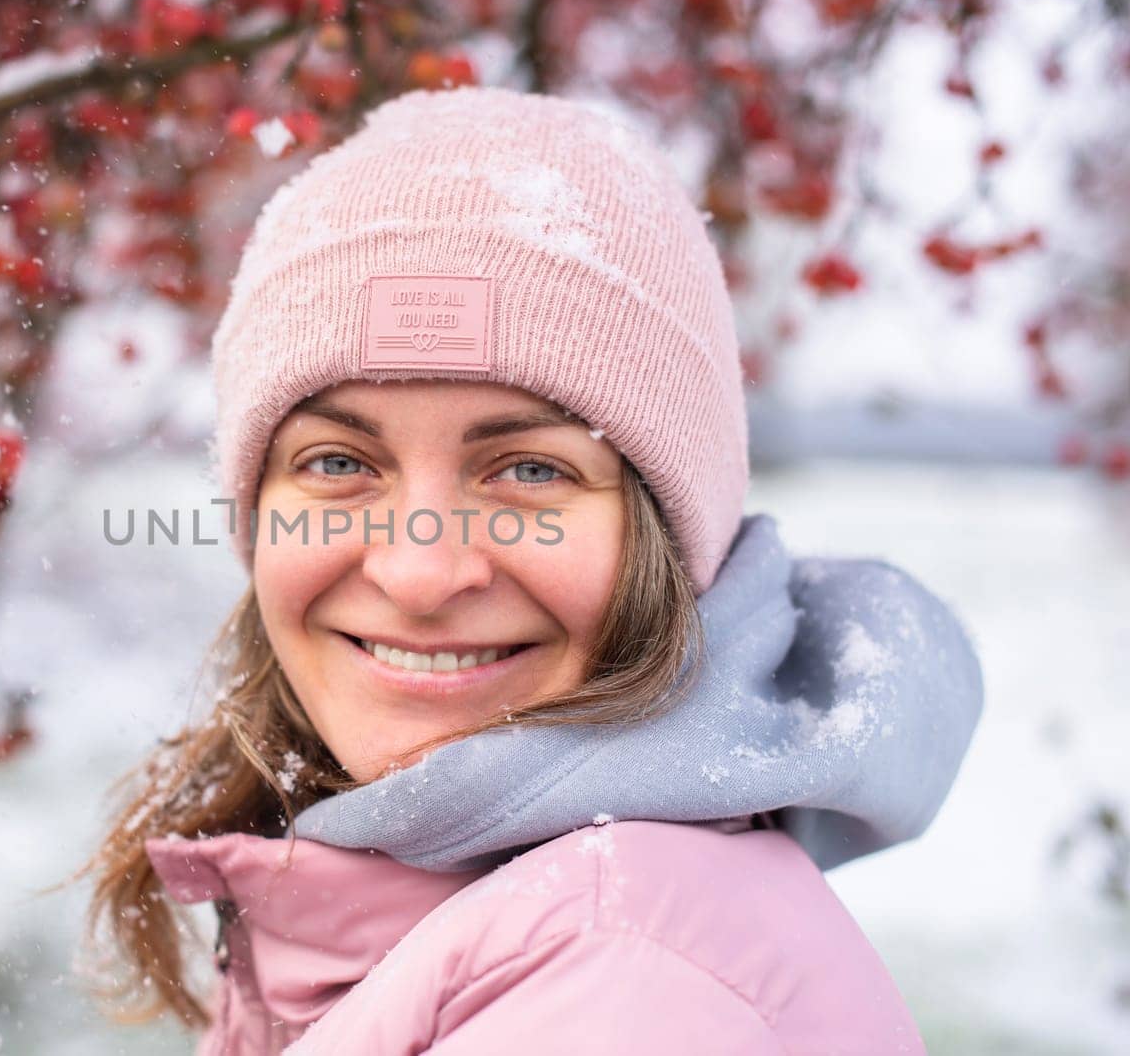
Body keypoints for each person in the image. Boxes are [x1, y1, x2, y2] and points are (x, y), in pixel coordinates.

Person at [81, 86, 984, 1054]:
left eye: (528, 471)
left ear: (669, 541)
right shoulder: (472, 908)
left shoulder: (629, 982)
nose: (420, 573)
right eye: (339, 463)